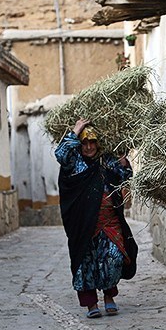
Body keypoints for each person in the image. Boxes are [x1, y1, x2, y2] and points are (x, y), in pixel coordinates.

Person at [56, 118, 137, 318]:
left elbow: (125, 175)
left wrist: (124, 164)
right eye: (85, 142)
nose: (90, 147)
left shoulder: (106, 160)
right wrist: (76, 131)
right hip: (83, 225)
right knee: (86, 264)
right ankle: (91, 304)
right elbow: (60, 154)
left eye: (93, 142)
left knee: (114, 258)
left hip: (110, 222)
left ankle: (109, 297)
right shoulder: (74, 163)